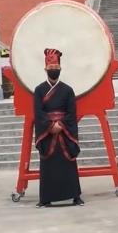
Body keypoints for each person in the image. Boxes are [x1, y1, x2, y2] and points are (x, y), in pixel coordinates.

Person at [34, 48, 83, 208]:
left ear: (60, 69)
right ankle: (45, 198)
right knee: (48, 166)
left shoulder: (68, 90)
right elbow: (38, 112)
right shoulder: (39, 90)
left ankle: (75, 196)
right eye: (51, 68)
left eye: (56, 68)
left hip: (64, 130)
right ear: (45, 69)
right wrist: (49, 126)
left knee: (68, 164)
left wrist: (60, 125)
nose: (53, 71)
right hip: (47, 132)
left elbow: (72, 112)